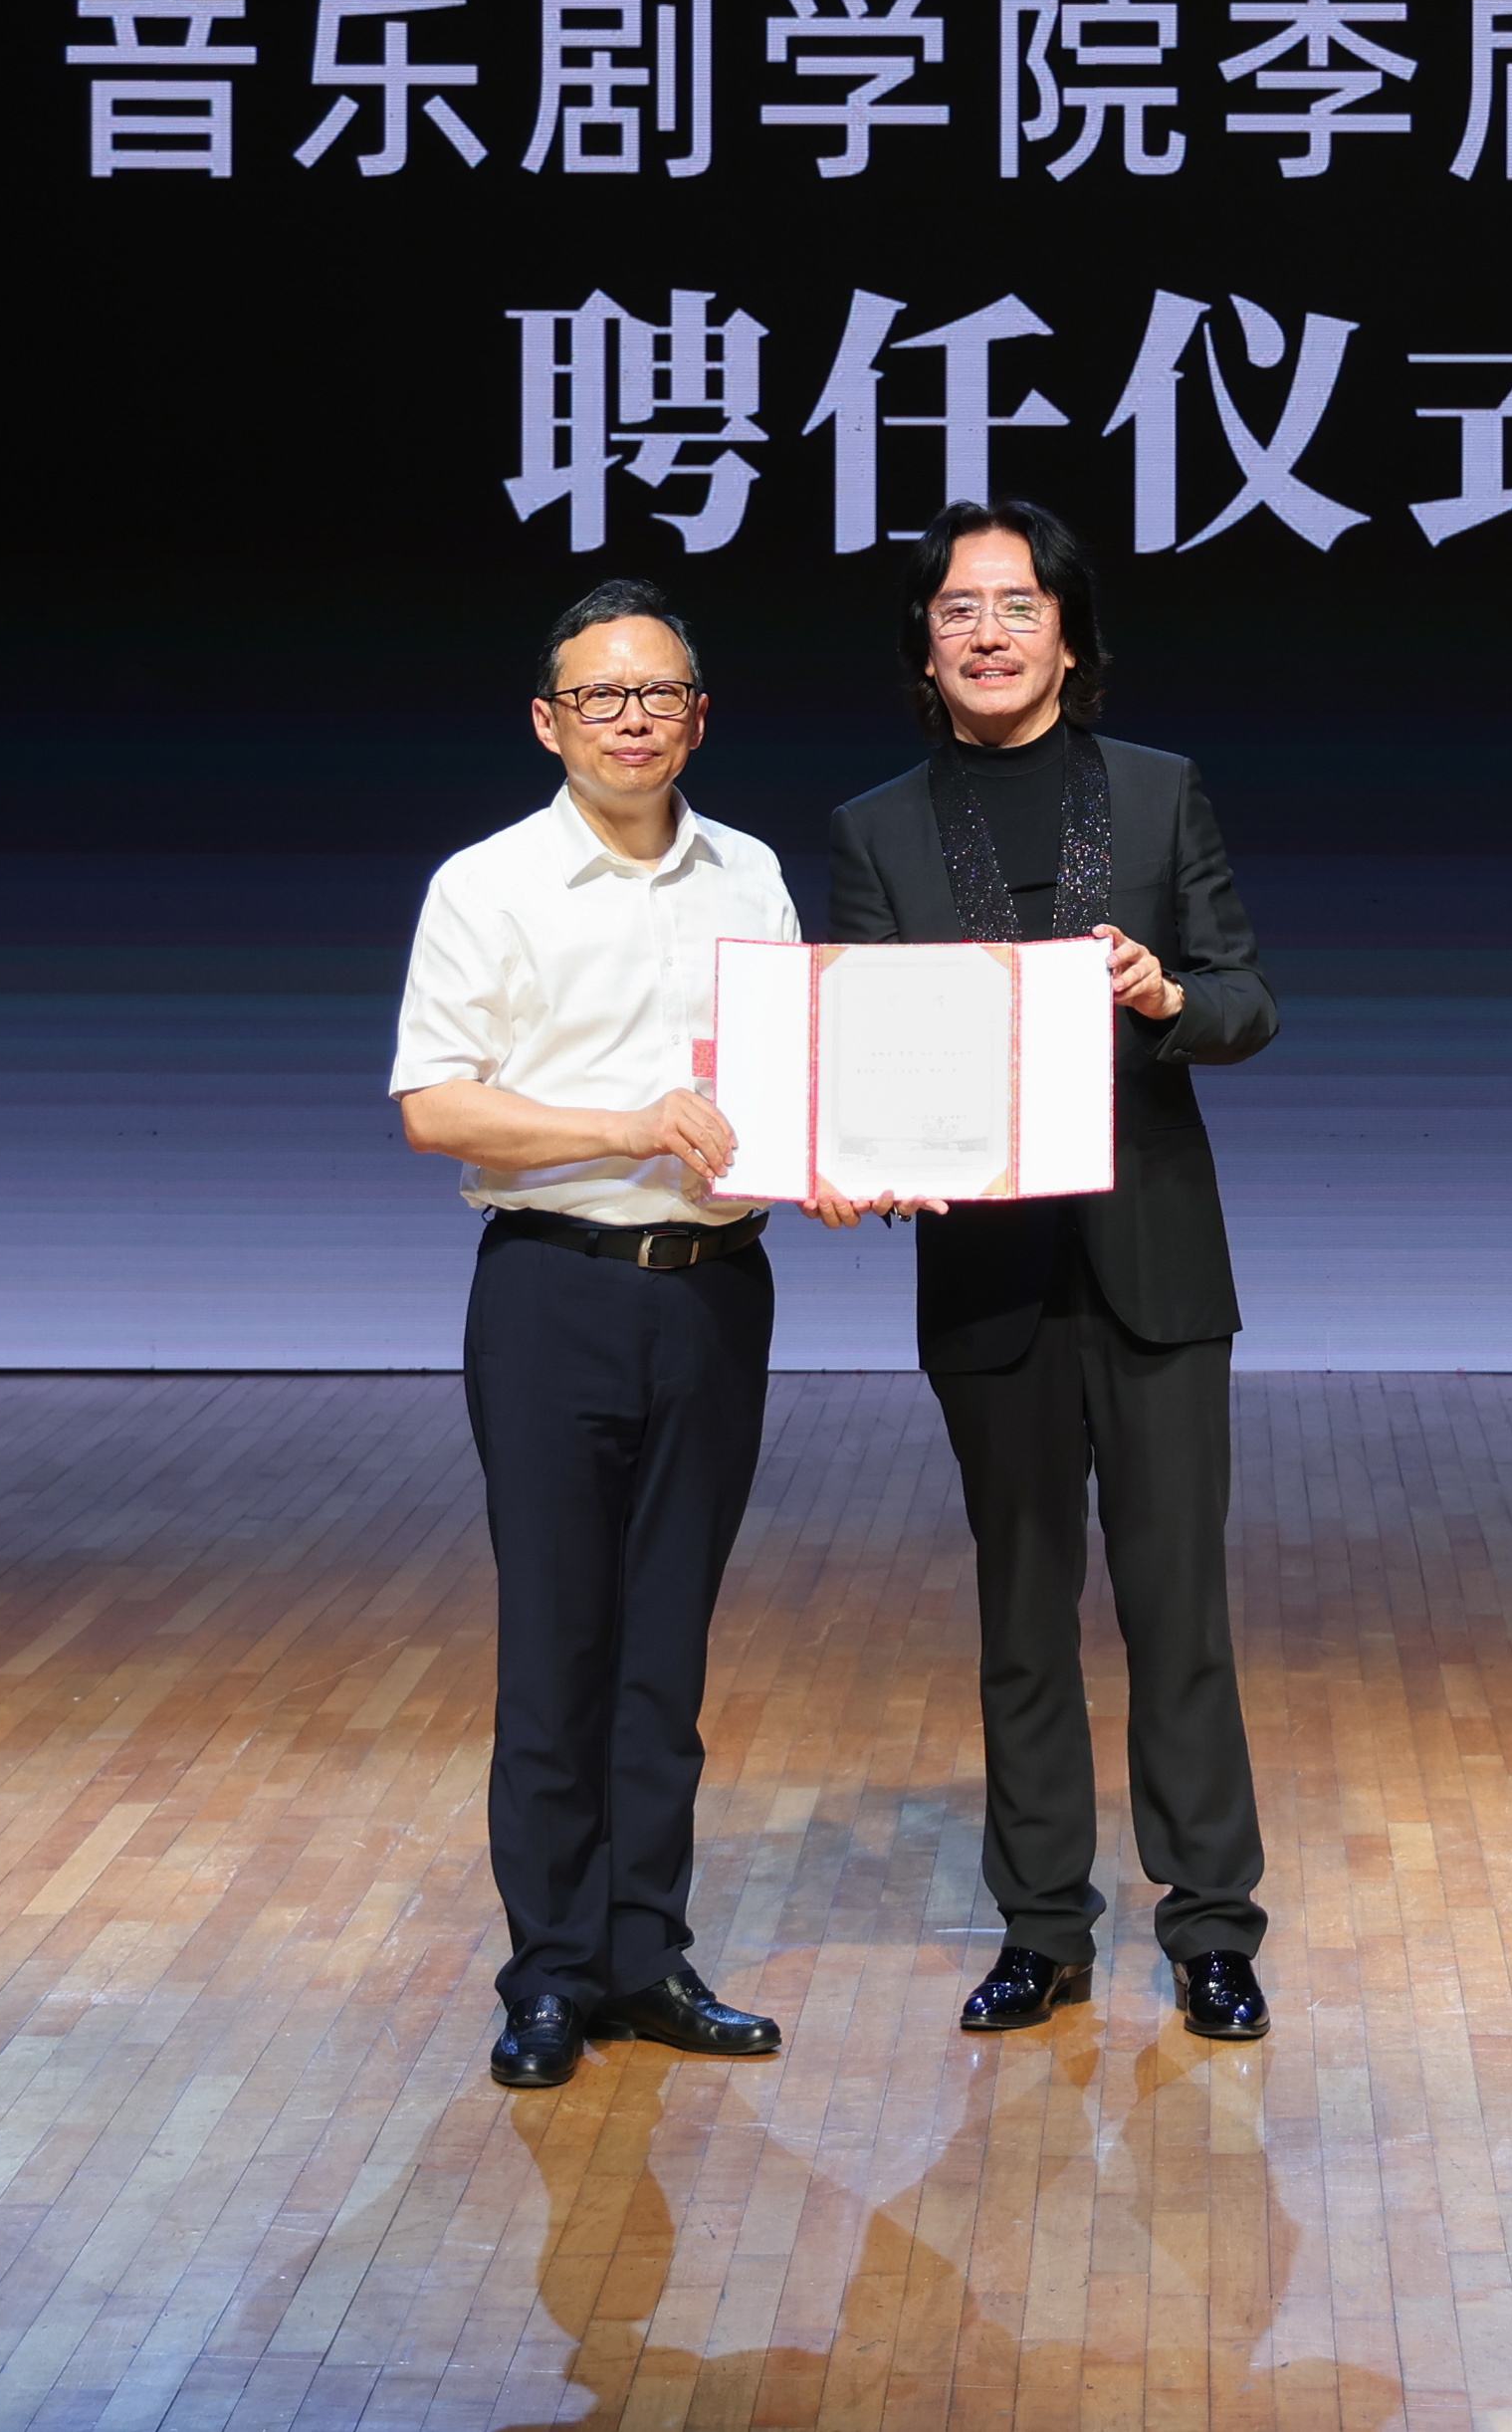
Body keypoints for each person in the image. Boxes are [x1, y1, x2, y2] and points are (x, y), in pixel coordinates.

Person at [826, 499, 1282, 2043]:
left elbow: (1246, 1000)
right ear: (924, 646)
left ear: (1069, 636)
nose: (988, 631)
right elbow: (862, 1052)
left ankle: (1210, 1924)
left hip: (1156, 1266)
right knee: (1020, 1616)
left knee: (1178, 1608)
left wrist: (1165, 993)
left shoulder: (1157, 793)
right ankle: (1041, 1925)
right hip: (990, 1275)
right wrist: (860, 1146)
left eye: (1017, 604)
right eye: (957, 608)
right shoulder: (877, 829)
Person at [390, 577, 806, 2091]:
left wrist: (838, 1154)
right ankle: (552, 1971)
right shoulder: (486, 884)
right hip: (552, 1290)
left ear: (699, 715)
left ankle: (647, 1955)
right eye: (601, 694)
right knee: (558, 1639)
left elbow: (791, 1080)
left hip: (715, 1289)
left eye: (659, 692)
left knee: (667, 1644)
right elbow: (436, 1104)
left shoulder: (751, 872)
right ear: (548, 720)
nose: (632, 717)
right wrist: (626, 1125)